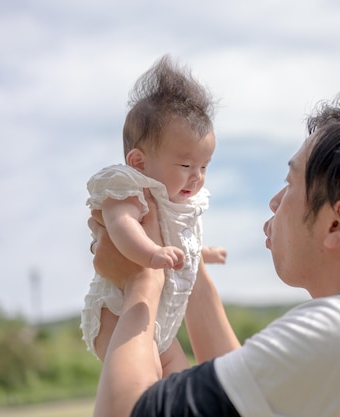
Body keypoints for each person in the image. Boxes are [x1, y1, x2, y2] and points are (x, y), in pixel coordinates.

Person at [88, 86, 340, 416]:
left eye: (291, 182)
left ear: (337, 223)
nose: (274, 201)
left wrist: (142, 281)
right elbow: (249, 388)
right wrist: (178, 250)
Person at [80, 55, 227, 376]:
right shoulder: (133, 188)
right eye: (186, 166)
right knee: (143, 378)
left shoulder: (180, 205)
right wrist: (152, 254)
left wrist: (202, 254)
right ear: (138, 162)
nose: (197, 177)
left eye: (204, 166)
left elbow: (180, 244)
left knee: (176, 376)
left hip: (158, 316)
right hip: (118, 311)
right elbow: (122, 225)